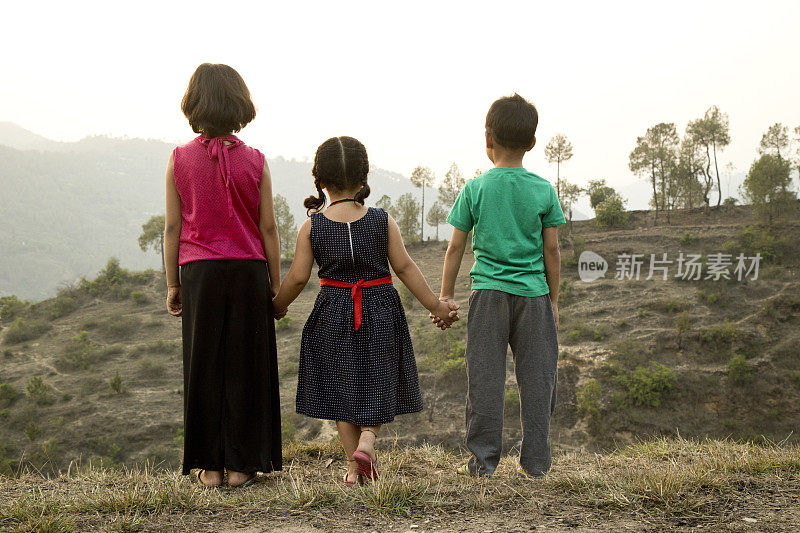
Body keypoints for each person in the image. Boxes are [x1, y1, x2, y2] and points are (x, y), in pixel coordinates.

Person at [272, 136, 459, 486]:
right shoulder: (382, 220)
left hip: (332, 313)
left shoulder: (312, 226)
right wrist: (437, 306)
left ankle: (353, 469)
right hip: (380, 309)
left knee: (339, 391)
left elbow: (297, 278)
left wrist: (276, 306)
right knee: (378, 379)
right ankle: (369, 440)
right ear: (364, 178)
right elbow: (404, 268)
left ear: (321, 180)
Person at [433, 93, 565, 478]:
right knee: (539, 381)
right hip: (534, 296)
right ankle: (536, 463)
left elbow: (455, 246)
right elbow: (552, 251)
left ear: (487, 138)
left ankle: (483, 463)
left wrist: (445, 296)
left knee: (486, 381)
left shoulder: (475, 189)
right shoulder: (543, 189)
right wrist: (553, 301)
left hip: (488, 295)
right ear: (533, 142)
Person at [164, 63, 282, 488]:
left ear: (194, 105)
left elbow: (173, 228)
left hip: (199, 272)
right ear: (240, 105)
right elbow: (268, 228)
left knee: (204, 366)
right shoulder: (256, 161)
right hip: (249, 271)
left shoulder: (179, 159)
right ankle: (241, 467)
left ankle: (209, 468)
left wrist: (173, 285)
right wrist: (274, 282)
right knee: (245, 368)